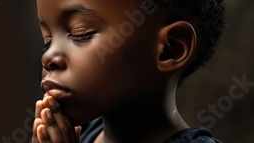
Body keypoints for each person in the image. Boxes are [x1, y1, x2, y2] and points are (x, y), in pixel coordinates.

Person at [32, 0, 225, 142]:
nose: (48, 58)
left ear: (169, 49)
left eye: (80, 33)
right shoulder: (74, 134)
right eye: (47, 41)